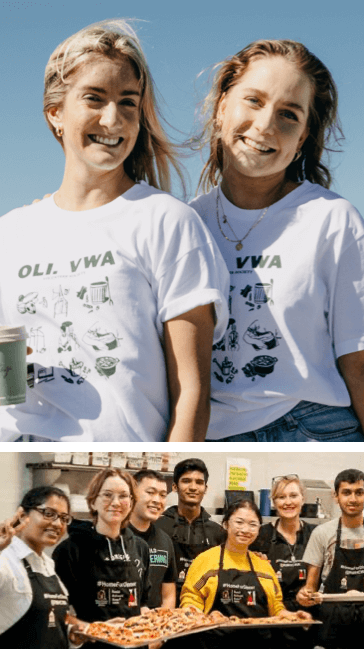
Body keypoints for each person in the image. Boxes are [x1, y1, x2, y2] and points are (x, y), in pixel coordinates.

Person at [0, 18, 229, 443]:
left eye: (128, 102)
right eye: (94, 98)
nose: (113, 118)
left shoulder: (167, 221)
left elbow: (192, 393)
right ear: (55, 114)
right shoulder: (9, 233)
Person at [188, 39, 364, 442]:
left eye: (288, 114)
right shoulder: (185, 224)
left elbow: (358, 362)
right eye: (253, 100)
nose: (266, 125)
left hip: (314, 428)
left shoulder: (332, 220)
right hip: (212, 433)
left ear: (302, 138)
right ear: (221, 109)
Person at [177, 499, 311, 649]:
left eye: (253, 524)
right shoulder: (206, 560)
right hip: (215, 643)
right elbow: (191, 598)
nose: (246, 530)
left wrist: (292, 617)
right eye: (239, 522)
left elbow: (276, 607)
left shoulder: (264, 567)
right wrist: (195, 616)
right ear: (225, 524)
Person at [53, 468, 150, 649]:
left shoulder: (140, 548)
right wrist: (94, 629)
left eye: (123, 496)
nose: (115, 502)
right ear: (93, 502)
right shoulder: (69, 550)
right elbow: (58, 612)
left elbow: (142, 603)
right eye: (107, 495)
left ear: (131, 502)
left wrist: (152, 625)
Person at [0, 486, 86, 648]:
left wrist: (71, 634)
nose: (57, 523)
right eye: (48, 513)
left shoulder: (47, 564)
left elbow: (49, 623)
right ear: (23, 515)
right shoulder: (5, 559)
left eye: (63, 518)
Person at [297, 468, 364, 649]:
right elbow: (310, 586)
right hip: (331, 621)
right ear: (336, 496)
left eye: (359, 492)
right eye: (346, 492)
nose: (353, 499)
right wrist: (305, 595)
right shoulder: (322, 533)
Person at [250, 475, 318, 648]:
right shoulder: (260, 536)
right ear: (273, 502)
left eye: (293, 495)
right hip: (272, 619)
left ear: (303, 498)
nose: (288, 502)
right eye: (281, 497)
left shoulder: (316, 534)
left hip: (307, 618)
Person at [154, 458, 225, 604]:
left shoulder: (218, 532)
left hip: (202, 609)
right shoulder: (157, 527)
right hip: (162, 607)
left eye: (199, 482)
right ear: (174, 487)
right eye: (186, 481)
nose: (193, 487)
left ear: (205, 488)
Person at [129, 469, 177, 609]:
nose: (157, 500)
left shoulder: (165, 541)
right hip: (117, 626)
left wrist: (161, 625)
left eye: (163, 495)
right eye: (150, 492)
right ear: (132, 494)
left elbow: (168, 596)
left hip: (153, 627)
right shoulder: (114, 536)